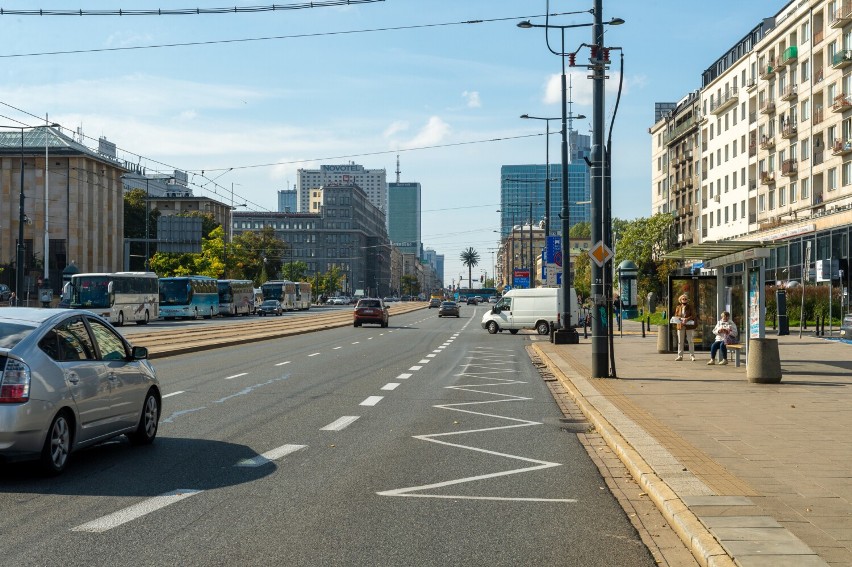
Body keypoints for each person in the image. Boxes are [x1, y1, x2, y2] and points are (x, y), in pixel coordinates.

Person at [672, 293, 696, 361]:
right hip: (680, 325)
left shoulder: (690, 307)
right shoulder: (678, 307)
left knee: (690, 341)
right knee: (680, 341)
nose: (684, 300)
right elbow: (676, 315)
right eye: (683, 299)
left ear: (687, 300)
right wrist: (680, 318)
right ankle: (680, 356)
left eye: (685, 299)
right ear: (680, 300)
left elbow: (693, 315)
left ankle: (692, 356)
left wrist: (687, 319)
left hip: (688, 325)